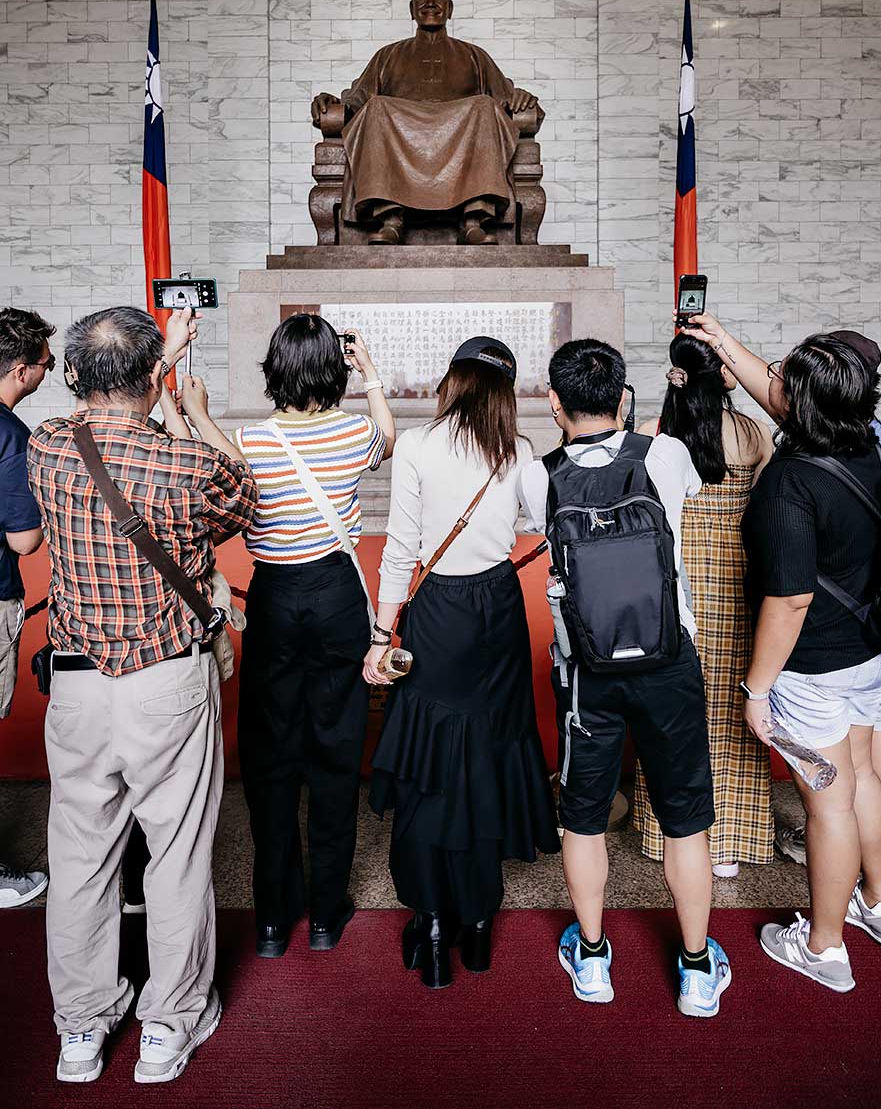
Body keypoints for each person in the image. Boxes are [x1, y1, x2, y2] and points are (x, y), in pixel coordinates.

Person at [27, 306, 258, 1085]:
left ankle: (81, 1031)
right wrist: (173, 396)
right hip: (166, 682)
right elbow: (241, 498)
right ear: (155, 377)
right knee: (178, 857)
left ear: (70, 375)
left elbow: (100, 429)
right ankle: (169, 1025)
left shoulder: (48, 447)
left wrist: (152, 377)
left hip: (78, 687)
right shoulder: (191, 468)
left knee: (81, 859)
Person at [518, 338, 732, 1018]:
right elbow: (694, 486)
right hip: (669, 661)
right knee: (685, 820)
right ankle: (697, 969)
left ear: (553, 402)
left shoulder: (537, 474)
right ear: (622, 397)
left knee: (582, 820)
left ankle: (592, 957)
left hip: (586, 671)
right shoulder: (664, 455)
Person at [686, 314, 881, 993]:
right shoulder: (868, 442)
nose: (769, 380)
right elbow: (785, 392)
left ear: (802, 403)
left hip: (813, 667)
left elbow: (789, 599)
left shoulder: (789, 482)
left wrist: (757, 689)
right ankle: (877, 902)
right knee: (861, 777)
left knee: (828, 802)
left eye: (781, 378)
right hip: (865, 651)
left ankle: (824, 946)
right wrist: (722, 341)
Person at [364, 337, 559, 988]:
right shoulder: (520, 452)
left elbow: (400, 548)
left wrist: (380, 633)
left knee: (429, 762)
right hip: (499, 607)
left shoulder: (419, 446)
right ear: (505, 392)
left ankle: (435, 918)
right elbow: (540, 519)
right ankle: (477, 923)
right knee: (485, 756)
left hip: (439, 606)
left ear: (452, 380)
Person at [235, 315, 394, 959]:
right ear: (333, 368)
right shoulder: (354, 432)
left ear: (274, 369)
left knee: (270, 758)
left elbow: (218, 468)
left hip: (273, 594)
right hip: (336, 598)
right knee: (336, 749)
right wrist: (371, 375)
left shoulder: (250, 440)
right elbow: (388, 435)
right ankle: (328, 912)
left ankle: (273, 919)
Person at [632, 334, 774, 877]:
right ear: (726, 376)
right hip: (734, 579)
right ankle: (730, 842)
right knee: (733, 707)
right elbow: (762, 509)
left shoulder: (653, 437)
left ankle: (664, 831)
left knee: (670, 707)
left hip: (672, 580)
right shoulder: (752, 433)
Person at [311, 0, 541, 245]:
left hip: (462, 131)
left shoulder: (474, 56)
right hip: (399, 132)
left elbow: (504, 100)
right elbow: (357, 101)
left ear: (450, 8)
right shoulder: (388, 55)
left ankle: (472, 219)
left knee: (483, 105)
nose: (430, 3)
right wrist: (334, 103)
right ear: (411, 9)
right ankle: (390, 218)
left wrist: (522, 99)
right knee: (376, 107)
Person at [0, 307, 55, 908]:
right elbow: (24, 540)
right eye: (45, 364)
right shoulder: (9, 435)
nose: (48, 373)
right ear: (21, 370)